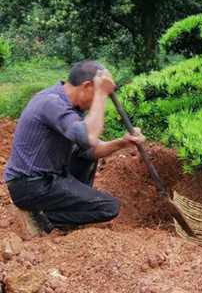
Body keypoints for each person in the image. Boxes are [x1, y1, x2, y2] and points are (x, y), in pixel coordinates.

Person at [3, 60, 145, 235]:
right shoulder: (51, 103)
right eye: (96, 94)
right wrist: (101, 94)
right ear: (86, 86)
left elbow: (92, 147)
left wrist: (122, 142)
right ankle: (40, 219)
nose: (96, 103)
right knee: (108, 207)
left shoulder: (70, 106)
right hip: (30, 185)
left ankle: (67, 209)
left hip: (48, 178)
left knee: (86, 154)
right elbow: (88, 136)